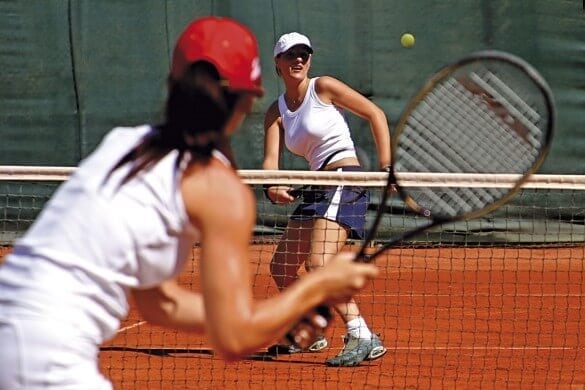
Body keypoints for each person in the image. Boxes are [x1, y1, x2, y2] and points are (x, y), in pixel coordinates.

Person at [0, 18, 380, 388]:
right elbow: (234, 336)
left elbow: (160, 304)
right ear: (248, 99)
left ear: (172, 84)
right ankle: (357, 332)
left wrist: (290, 313)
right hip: (48, 358)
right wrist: (317, 289)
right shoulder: (216, 187)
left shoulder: (121, 143)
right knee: (299, 266)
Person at [262, 32, 392, 367]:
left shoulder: (323, 87)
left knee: (319, 263)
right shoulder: (275, 112)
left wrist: (387, 166)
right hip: (317, 184)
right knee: (282, 267)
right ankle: (309, 331)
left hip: (344, 178)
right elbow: (270, 164)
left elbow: (375, 113)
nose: (299, 61)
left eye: (304, 54)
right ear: (277, 62)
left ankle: (361, 334)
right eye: (291, 55)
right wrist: (271, 186)